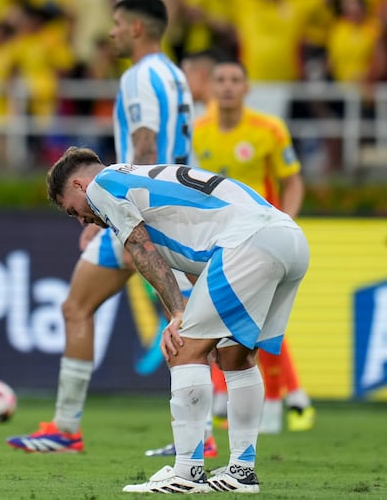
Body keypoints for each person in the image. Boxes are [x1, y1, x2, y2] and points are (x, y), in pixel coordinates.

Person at [48, 146, 309, 493]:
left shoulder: (102, 186)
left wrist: (177, 314)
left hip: (247, 243)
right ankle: (241, 471)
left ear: (80, 186)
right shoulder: (138, 178)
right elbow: (190, 259)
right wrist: (189, 313)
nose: (83, 220)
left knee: (182, 350)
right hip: (288, 239)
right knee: (235, 355)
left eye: (73, 212)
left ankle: (187, 472)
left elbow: (140, 247)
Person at [7, 0, 200, 454]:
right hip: (179, 211)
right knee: (188, 319)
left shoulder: (139, 75)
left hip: (139, 211)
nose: (110, 32)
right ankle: (203, 435)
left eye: (116, 23)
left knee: (77, 308)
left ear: (136, 28)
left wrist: (114, 207)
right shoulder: (175, 74)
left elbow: (146, 145)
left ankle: (66, 428)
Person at [193, 59, 315, 434]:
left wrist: (286, 221)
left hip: (265, 239)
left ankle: (277, 402)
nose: (227, 87)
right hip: (225, 241)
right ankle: (273, 397)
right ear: (211, 88)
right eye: (221, 80)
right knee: (224, 318)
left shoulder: (269, 130)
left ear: (247, 89)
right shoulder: (199, 132)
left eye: (235, 80)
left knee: (263, 322)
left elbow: (293, 182)